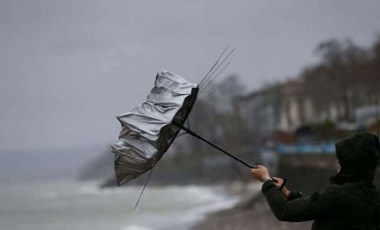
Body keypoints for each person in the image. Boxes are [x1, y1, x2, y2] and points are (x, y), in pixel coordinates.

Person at [251, 132, 380, 230]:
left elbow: (285, 211)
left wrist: (266, 180)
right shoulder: (374, 195)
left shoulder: (337, 195)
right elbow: (324, 205)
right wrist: (289, 194)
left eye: (342, 159)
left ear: (352, 164)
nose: (338, 162)